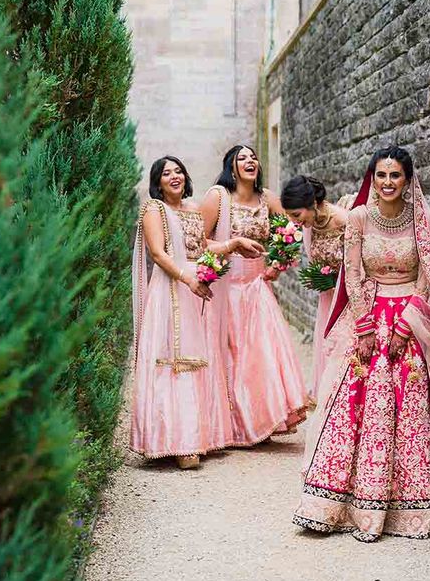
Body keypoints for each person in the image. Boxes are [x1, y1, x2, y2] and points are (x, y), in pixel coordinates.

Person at [293, 146, 430, 540]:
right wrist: (364, 327)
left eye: (394, 176)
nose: (386, 183)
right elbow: (351, 273)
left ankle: (413, 508)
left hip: (410, 323)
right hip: (369, 319)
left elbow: (426, 277)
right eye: (380, 175)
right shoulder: (360, 218)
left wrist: (406, 324)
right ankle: (340, 504)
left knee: (414, 407)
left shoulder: (420, 219)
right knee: (360, 407)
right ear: (372, 178)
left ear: (407, 179)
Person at [131, 156, 261, 468]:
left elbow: (201, 247)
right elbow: (159, 253)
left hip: (196, 290)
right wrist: (187, 278)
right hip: (172, 288)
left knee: (199, 361)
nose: (174, 177)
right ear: (157, 182)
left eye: (178, 171)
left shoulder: (191, 210)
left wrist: (233, 243)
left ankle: (196, 436)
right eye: (166, 173)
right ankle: (172, 442)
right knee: (173, 361)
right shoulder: (154, 210)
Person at [201, 145, 309, 447]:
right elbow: (198, 241)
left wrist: (278, 264)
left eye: (253, 157)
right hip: (226, 287)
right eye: (242, 158)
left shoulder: (269, 198)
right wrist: (230, 246)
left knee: (259, 353)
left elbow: (292, 232)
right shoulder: (218, 198)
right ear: (231, 167)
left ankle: (258, 420)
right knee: (229, 352)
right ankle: (230, 424)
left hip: (258, 285)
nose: (250, 161)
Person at [281, 175, 348, 403]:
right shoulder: (309, 226)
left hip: (348, 298)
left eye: (297, 215)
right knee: (327, 349)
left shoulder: (343, 220)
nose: (294, 221)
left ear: (313, 203)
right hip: (328, 297)